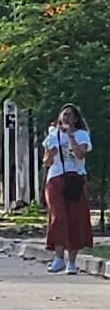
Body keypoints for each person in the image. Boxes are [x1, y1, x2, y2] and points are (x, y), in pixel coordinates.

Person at [42, 104, 93, 275]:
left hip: (75, 178)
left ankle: (72, 262)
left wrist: (71, 138)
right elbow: (47, 161)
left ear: (76, 118)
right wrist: (50, 153)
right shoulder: (52, 135)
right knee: (58, 217)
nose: (66, 118)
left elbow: (80, 155)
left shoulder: (82, 135)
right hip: (55, 178)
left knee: (75, 218)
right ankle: (58, 258)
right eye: (64, 114)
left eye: (70, 115)